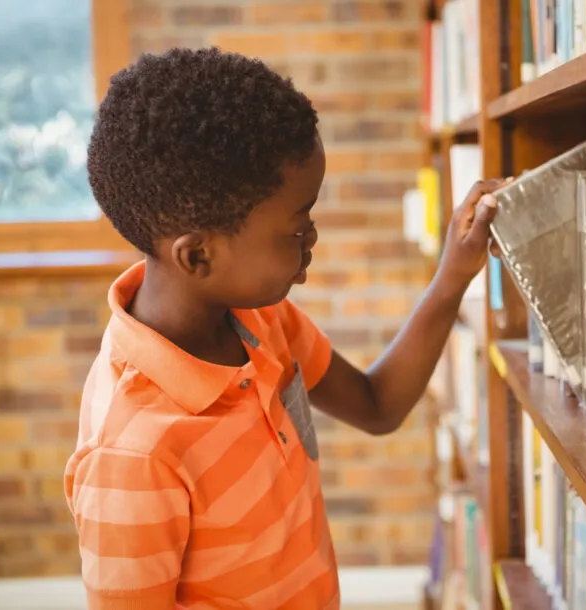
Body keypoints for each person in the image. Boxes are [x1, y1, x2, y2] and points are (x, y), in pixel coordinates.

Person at [64, 46, 505, 610]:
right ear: (197, 256)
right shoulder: (132, 452)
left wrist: (453, 276)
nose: (312, 240)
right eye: (296, 228)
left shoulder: (260, 320)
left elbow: (378, 404)